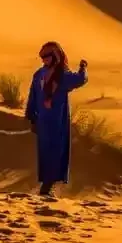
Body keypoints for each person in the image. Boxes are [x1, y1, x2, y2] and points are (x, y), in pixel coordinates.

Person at [25, 41, 88, 198]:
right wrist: (32, 118)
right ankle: (46, 189)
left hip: (53, 122)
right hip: (52, 123)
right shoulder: (43, 74)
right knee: (52, 153)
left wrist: (82, 70)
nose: (43, 59)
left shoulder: (60, 75)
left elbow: (79, 80)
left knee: (52, 153)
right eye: (42, 56)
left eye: (46, 56)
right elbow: (32, 96)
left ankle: (46, 188)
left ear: (55, 56)